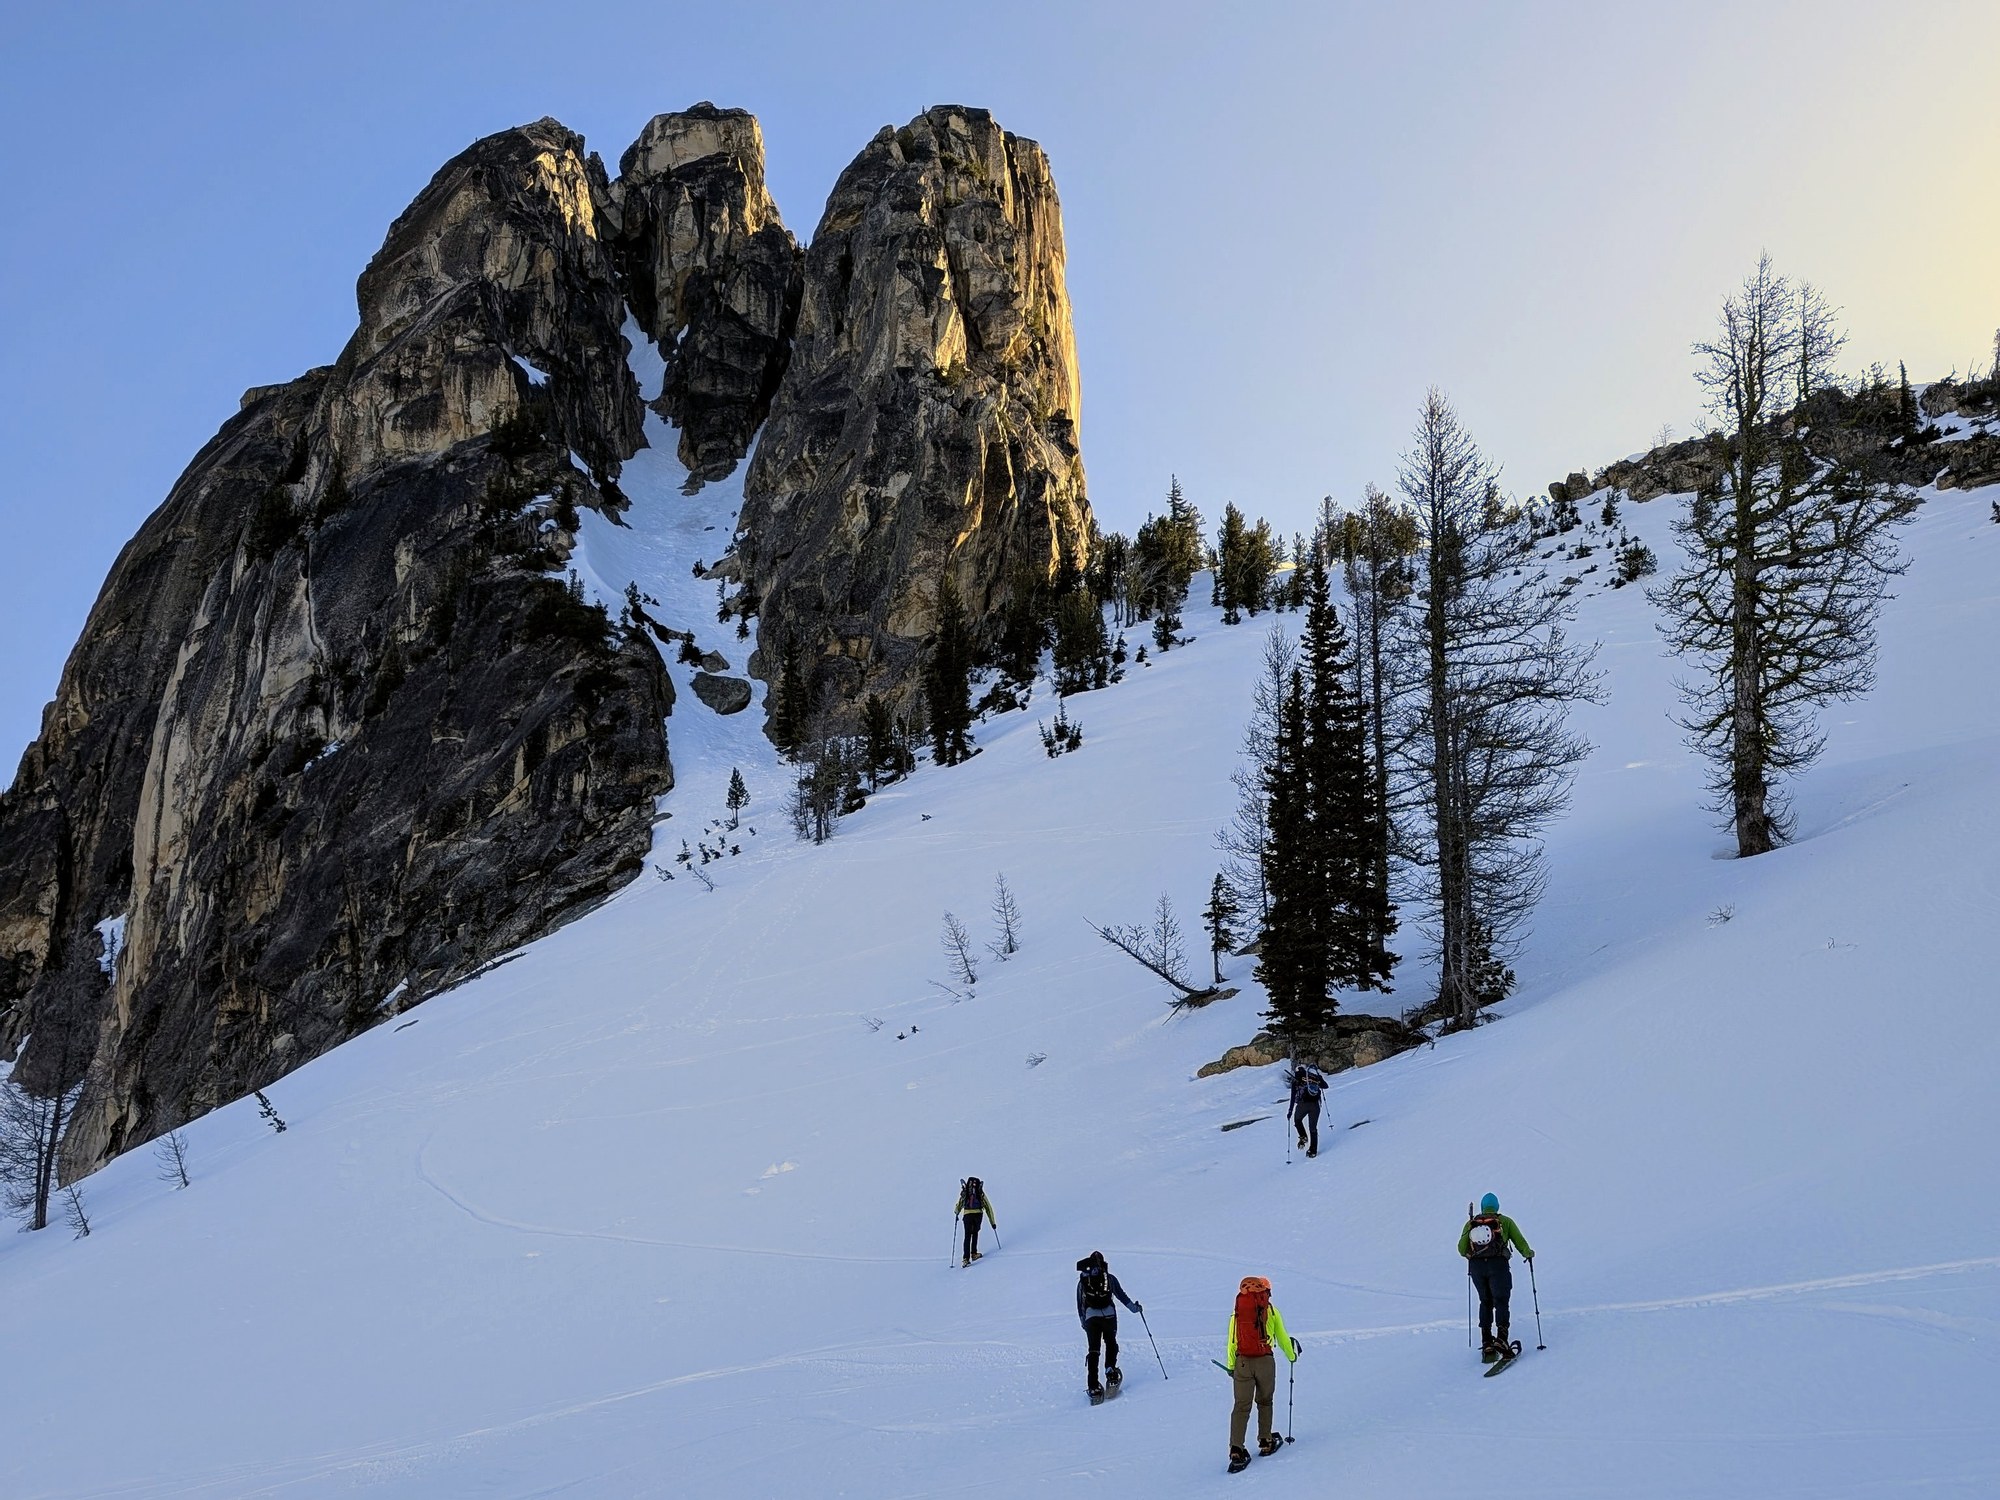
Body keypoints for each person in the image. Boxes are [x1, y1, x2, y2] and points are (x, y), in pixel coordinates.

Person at [1222, 1275, 1300, 1471]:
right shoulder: (1272, 1311)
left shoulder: (1237, 1313)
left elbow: (1232, 1342)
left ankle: (1236, 1450)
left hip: (1242, 1363)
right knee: (1265, 1401)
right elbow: (1282, 1337)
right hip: (1265, 1361)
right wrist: (1292, 1356)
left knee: (1241, 1406)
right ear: (1266, 1293)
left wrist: (1232, 1366)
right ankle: (1266, 1441)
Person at [1459, 1192, 1534, 1361]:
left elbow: (1461, 1249)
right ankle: (1501, 1339)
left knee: (1485, 1301)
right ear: (1497, 1206)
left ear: (1483, 1207)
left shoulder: (1471, 1224)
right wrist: (1528, 1253)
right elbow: (1519, 1241)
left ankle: (1486, 1342)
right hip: (1498, 1265)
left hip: (1477, 1267)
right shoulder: (1505, 1221)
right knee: (1501, 1301)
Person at [1075, 1251, 1141, 1397]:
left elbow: (1080, 1305)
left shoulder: (1083, 1281)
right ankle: (1111, 1372)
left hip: (1091, 1318)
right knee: (1111, 1343)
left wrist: (1083, 1323)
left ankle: (1093, 1386)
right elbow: (1122, 1296)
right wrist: (1135, 1309)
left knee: (1094, 1350)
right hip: (1109, 1316)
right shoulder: (1110, 1279)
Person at [954, 1176, 996, 1264]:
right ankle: (974, 1254)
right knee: (975, 1233)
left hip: (967, 1214)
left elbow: (960, 1203)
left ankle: (965, 1259)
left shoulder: (966, 1192)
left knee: (967, 1235)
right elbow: (988, 1207)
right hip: (978, 1214)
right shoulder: (980, 1192)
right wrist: (993, 1223)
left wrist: (957, 1212)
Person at [1288, 1061, 1327, 1157]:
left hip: (1303, 1105)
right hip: (1315, 1106)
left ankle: (1303, 1137)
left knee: (1297, 1120)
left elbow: (1293, 1097)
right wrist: (1319, 1078)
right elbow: (1325, 1086)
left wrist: (1290, 1111)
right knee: (1313, 1128)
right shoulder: (1313, 1077)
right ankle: (1313, 1151)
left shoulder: (1296, 1079)